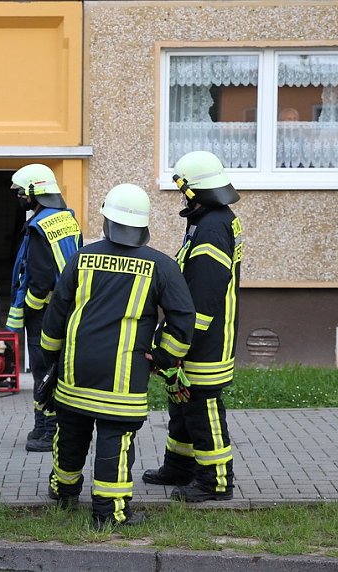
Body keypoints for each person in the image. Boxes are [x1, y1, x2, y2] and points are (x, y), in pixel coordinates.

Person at [40, 183, 195, 527]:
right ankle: (109, 513)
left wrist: (50, 359)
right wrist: (164, 358)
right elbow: (184, 318)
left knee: (71, 435)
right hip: (123, 379)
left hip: (75, 373)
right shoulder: (162, 266)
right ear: (144, 225)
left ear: (107, 221)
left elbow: (57, 312)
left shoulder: (81, 258)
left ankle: (64, 493)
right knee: (115, 442)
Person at [142, 150, 243, 502]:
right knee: (182, 404)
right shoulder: (209, 219)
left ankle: (215, 481)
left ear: (193, 190)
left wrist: (177, 345)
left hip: (206, 341)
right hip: (200, 337)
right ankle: (180, 467)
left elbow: (203, 300)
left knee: (203, 407)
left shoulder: (213, 228)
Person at [6, 164, 82, 452]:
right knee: (56, 368)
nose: (19, 198)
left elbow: (38, 280)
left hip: (44, 315)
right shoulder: (67, 219)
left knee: (43, 370)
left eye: (22, 193)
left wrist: (27, 309)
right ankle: (51, 426)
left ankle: (48, 430)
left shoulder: (39, 228)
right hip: (65, 308)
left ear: (34, 192)